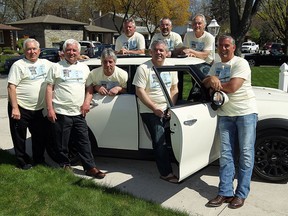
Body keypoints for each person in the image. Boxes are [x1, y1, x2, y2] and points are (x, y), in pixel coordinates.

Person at [203, 35, 258, 209]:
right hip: (225, 115)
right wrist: (210, 79)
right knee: (225, 155)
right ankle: (225, 192)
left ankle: (241, 194)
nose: (223, 49)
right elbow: (204, 82)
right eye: (220, 46)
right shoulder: (216, 65)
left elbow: (233, 87)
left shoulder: (240, 63)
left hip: (245, 114)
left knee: (246, 154)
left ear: (233, 47)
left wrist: (215, 84)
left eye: (227, 46)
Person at [45, 39, 105, 179]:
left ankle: (90, 168)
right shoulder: (56, 67)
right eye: (68, 50)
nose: (71, 53)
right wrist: (50, 109)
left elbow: (89, 87)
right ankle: (64, 165)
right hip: (61, 111)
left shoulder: (84, 68)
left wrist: (86, 103)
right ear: (64, 52)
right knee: (62, 142)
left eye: (74, 50)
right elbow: (49, 88)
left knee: (84, 141)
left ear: (79, 52)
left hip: (78, 112)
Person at [132, 40, 179, 183]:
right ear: (151, 52)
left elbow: (174, 89)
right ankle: (165, 173)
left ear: (166, 53)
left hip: (167, 108)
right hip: (149, 110)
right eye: (156, 50)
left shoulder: (171, 67)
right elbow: (139, 91)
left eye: (162, 50)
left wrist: (171, 107)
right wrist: (155, 109)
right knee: (159, 140)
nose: (159, 53)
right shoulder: (144, 68)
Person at [7, 38, 53, 169]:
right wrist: (15, 108)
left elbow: (61, 66)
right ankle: (22, 162)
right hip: (21, 107)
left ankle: (39, 159)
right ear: (24, 51)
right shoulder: (18, 65)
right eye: (28, 49)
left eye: (34, 49)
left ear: (39, 51)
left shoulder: (46, 63)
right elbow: (11, 87)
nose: (32, 52)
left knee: (40, 137)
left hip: (38, 108)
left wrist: (79, 56)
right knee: (19, 137)